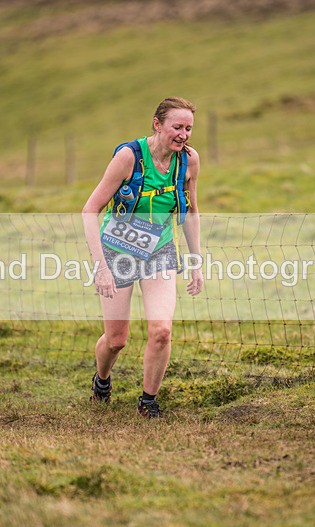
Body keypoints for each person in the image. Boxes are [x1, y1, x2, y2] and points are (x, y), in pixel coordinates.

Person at [82, 97, 203, 418]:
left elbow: (191, 212)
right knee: (116, 340)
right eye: (177, 127)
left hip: (159, 252)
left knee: (162, 331)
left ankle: (148, 402)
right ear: (157, 124)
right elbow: (90, 210)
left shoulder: (189, 161)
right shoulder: (128, 157)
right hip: (117, 252)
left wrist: (196, 262)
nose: (183, 134)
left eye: (189, 128)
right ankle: (102, 380)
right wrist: (101, 267)